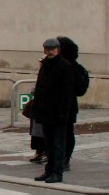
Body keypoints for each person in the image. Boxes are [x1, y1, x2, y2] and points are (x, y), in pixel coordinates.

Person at [30, 38, 75, 183]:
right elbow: (40, 88)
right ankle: (48, 171)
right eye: (47, 49)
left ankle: (57, 172)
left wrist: (63, 113)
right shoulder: (45, 65)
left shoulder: (65, 66)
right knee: (48, 144)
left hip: (58, 112)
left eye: (52, 49)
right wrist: (37, 108)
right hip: (45, 111)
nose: (49, 51)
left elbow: (66, 93)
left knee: (58, 144)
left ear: (58, 49)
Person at [57, 36, 89, 173]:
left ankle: (64, 159)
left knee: (66, 133)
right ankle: (58, 159)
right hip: (55, 105)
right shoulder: (54, 63)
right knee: (57, 133)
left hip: (67, 105)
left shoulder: (70, 66)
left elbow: (77, 88)